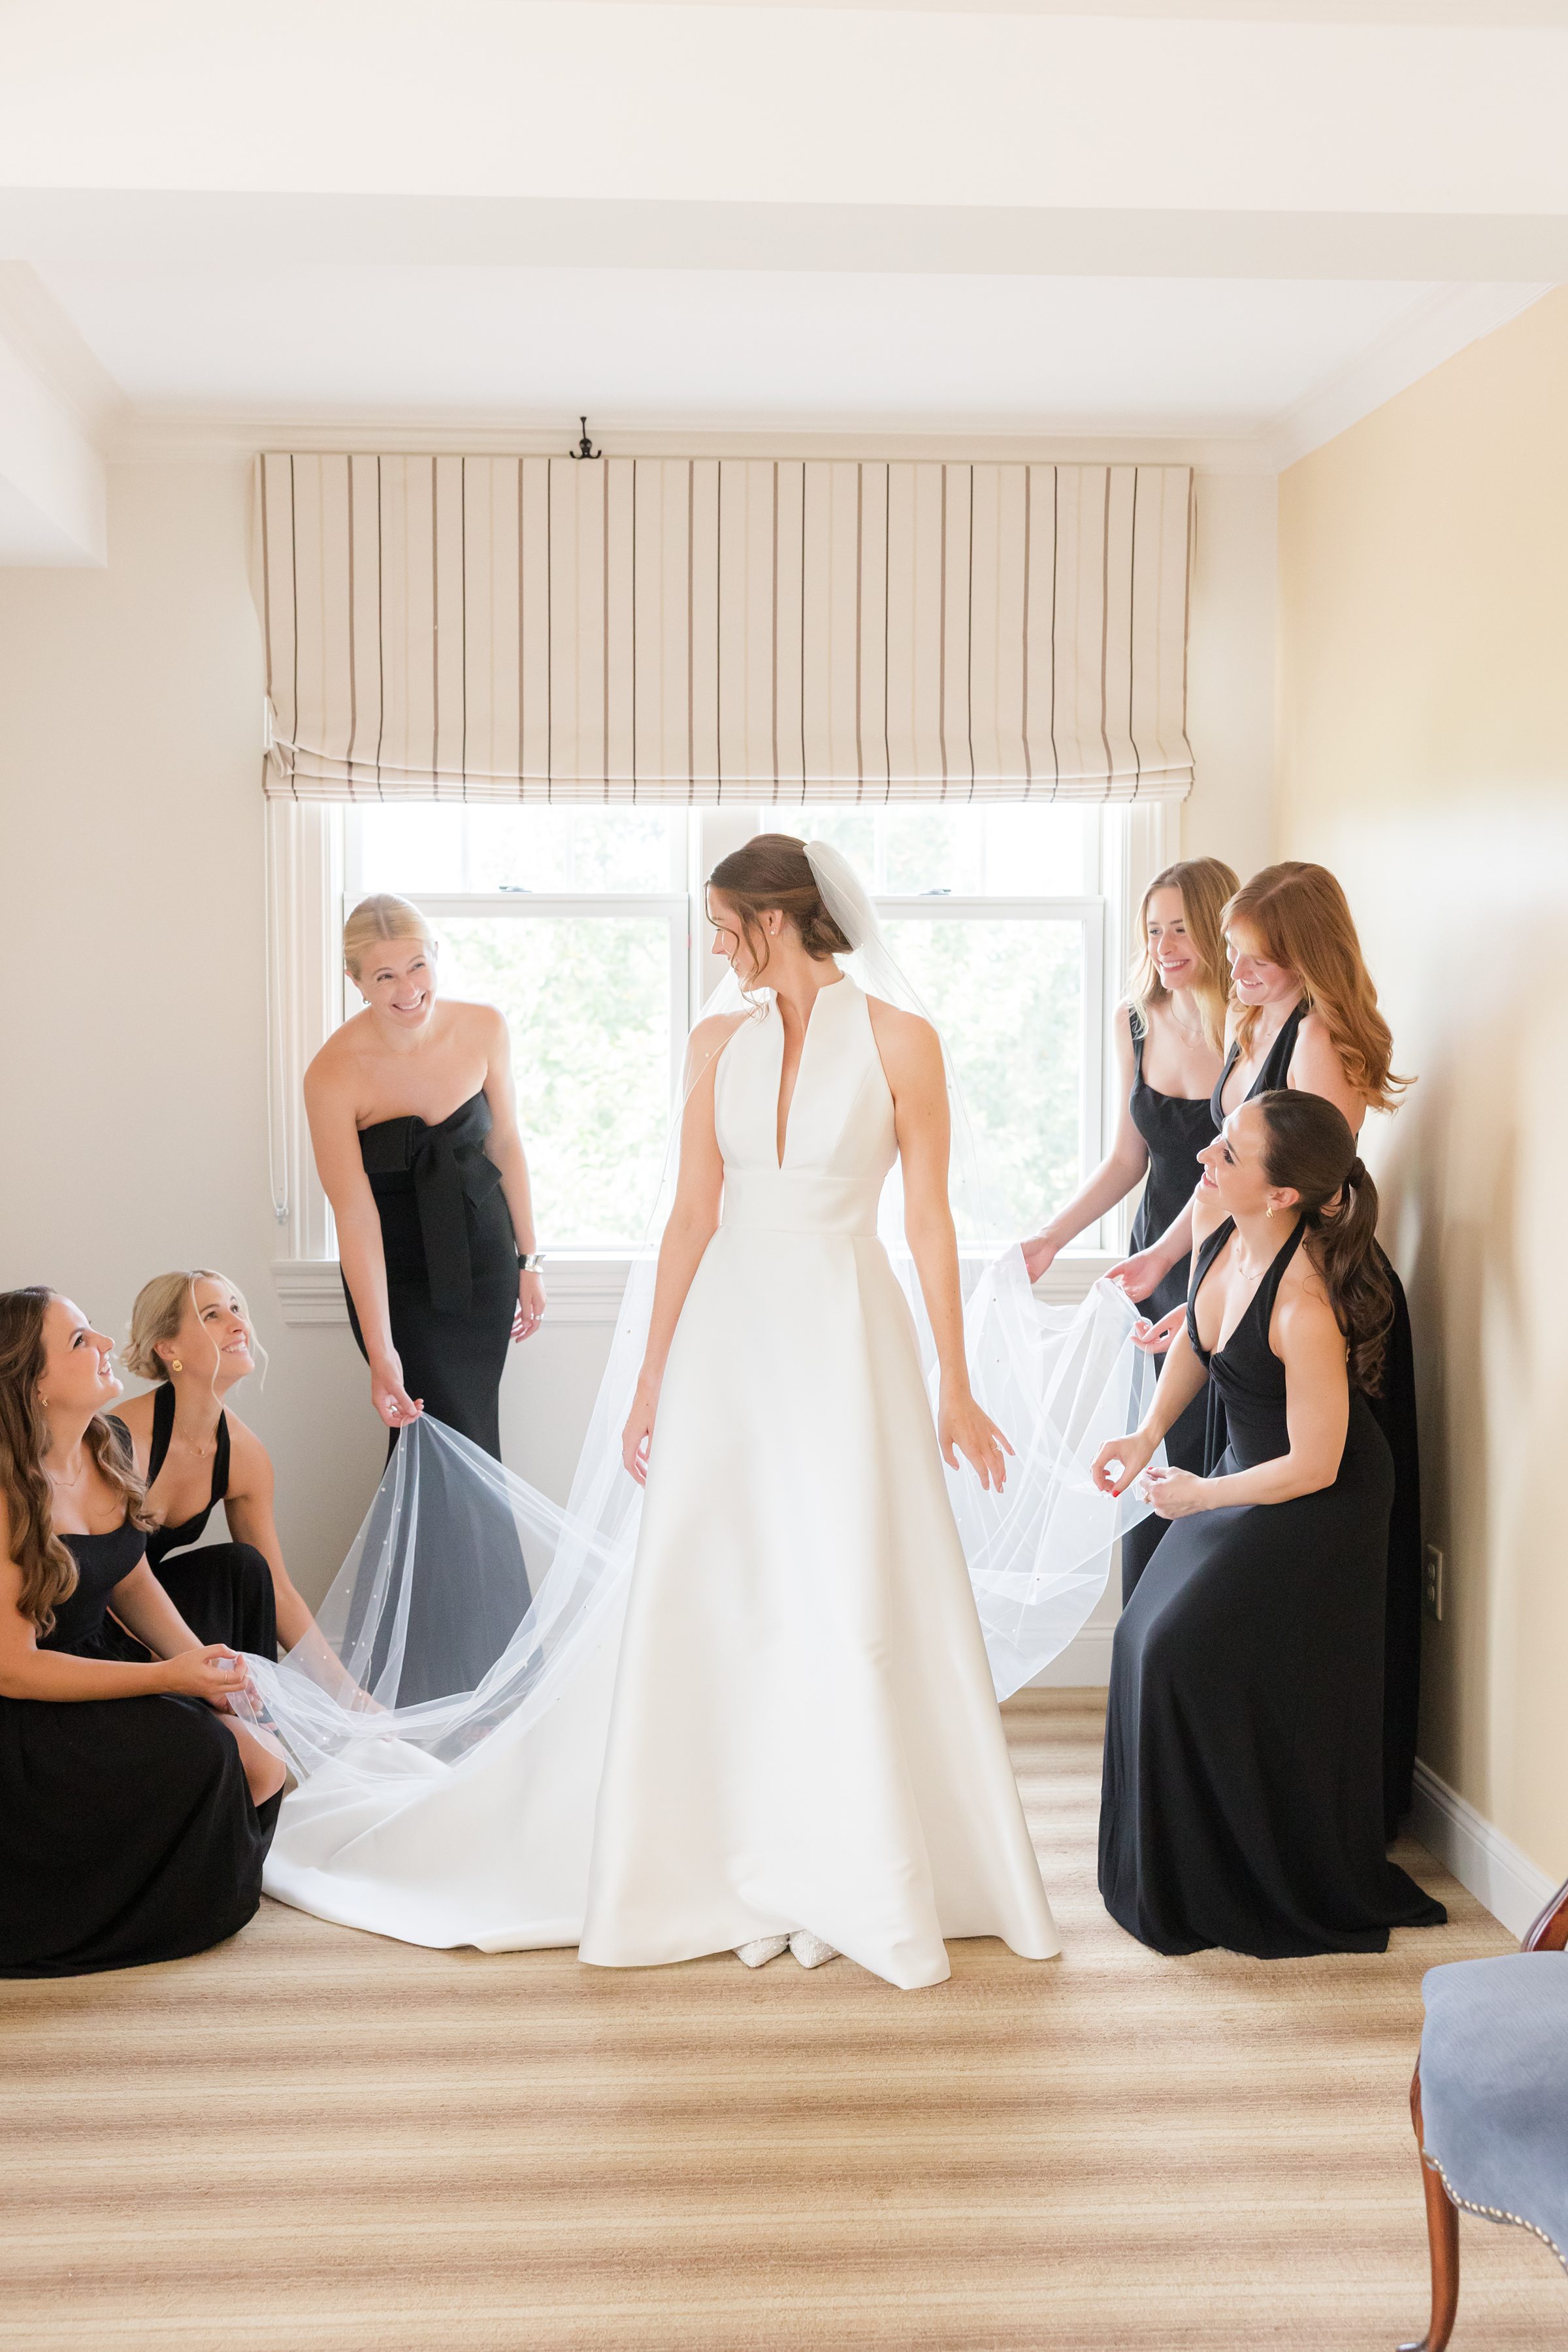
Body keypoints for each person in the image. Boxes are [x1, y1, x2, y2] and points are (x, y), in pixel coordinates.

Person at [253, 837, 1073, 1990]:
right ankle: (726, 1840)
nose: (717, 948)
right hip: (734, 1336)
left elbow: (930, 1224)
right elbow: (690, 1219)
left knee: (850, 1578)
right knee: (728, 1580)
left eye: (727, 927)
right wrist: (648, 1384)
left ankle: (865, 1848)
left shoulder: (904, 1042)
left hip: (850, 1329)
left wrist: (957, 1380)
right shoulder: (715, 1044)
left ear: (776, 921)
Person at [1091, 1094, 1446, 1959]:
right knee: (1142, 1631)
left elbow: (1319, 1465)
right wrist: (1144, 1440)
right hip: (1248, 1480)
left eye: (1230, 1154)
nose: (1207, 1159)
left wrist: (1203, 1498)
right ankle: (1169, 1866)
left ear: (1283, 1195)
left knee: (1179, 1650)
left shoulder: (1303, 1306)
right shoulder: (1224, 1232)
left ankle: (1231, 1875)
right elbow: (1197, 1344)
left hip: (1318, 1504)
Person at [1109, 861, 1422, 1833]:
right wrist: (1185, 1283)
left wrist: (1247, 1310)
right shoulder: (1252, 1028)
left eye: (1251, 951)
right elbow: (1221, 1177)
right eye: (1234, 950)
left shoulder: (1319, 1037)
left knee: (1287, 1571)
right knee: (1203, 1551)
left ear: (1301, 949)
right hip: (1236, 1295)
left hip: (1297, 1310)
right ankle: (1210, 1781)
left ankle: (1289, 1797)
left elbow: (1304, 1184)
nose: (1233, 967)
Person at [0, 1286, 283, 1978]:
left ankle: (192, 1871)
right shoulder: (8, 1492)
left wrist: (206, 1669)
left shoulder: (106, 1444)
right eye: (78, 1341)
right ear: (33, 1384)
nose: (103, 1345)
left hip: (98, 1661)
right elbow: (13, 1669)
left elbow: (133, 1580)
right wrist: (166, 1679)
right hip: (29, 1714)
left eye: (93, 1330)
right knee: (218, 1761)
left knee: (266, 1761)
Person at [1022, 857, 1237, 1601]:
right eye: (1153, 931)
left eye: (1181, 928)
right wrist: (1052, 1237)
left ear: (1216, 929)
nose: (1165, 946)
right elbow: (1126, 1157)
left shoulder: (1251, 1022)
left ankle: (1201, 1637)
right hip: (1155, 1262)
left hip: (1231, 1249)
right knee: (1152, 1446)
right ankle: (1147, 1643)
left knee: (1215, 1451)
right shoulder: (1135, 1020)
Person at [305, 892, 547, 1458]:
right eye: (384, 976)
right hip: (399, 1281)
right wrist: (381, 1348)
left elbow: (505, 1143)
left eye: (417, 966)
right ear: (355, 980)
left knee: (476, 1440)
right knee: (424, 1442)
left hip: (485, 1263)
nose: (408, 989)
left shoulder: (485, 1026)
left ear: (437, 955)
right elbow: (354, 1213)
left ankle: (477, 1553)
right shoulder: (330, 1075)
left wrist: (528, 1260)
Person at [110, 1269, 315, 1658]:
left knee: (246, 1567)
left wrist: (354, 1702)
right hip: (87, 1618)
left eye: (236, 1309)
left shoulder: (243, 1453)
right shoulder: (123, 1439)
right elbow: (104, 1581)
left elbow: (281, 1595)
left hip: (152, 1616)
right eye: (212, 1315)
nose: (239, 1325)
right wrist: (185, 1670)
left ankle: (257, 1711)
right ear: (168, 1348)